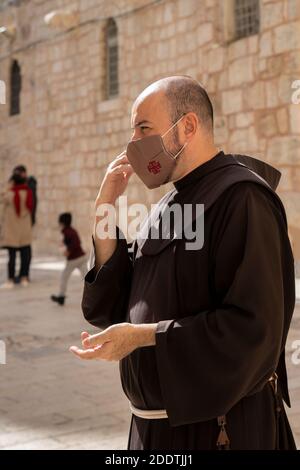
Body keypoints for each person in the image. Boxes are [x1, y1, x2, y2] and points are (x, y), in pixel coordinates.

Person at [70, 76, 296, 450]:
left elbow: (253, 331)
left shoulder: (242, 199)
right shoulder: (168, 205)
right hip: (153, 432)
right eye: (133, 132)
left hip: (218, 431)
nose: (135, 145)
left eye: (144, 129)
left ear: (187, 126)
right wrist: (104, 207)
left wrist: (142, 337)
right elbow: (120, 296)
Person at [0, 172, 33, 288]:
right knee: (25, 255)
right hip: (24, 230)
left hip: (12, 230)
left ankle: (10, 280)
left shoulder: (10, 194)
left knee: (12, 256)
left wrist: (8, 187)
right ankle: (24, 278)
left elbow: (1, 197)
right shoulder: (28, 193)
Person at [51, 212, 88, 306]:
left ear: (62, 223)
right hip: (82, 257)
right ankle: (94, 295)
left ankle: (61, 296)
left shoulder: (66, 232)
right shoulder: (72, 230)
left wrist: (68, 251)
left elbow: (76, 242)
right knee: (86, 277)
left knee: (64, 276)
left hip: (74, 259)